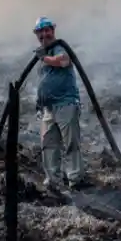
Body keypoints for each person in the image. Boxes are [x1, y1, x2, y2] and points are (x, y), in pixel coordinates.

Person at [33, 16, 84, 190]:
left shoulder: (59, 47)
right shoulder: (44, 54)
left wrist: (45, 58)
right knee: (48, 144)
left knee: (71, 142)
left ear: (53, 31)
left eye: (47, 30)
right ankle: (53, 180)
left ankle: (75, 179)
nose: (44, 34)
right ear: (37, 34)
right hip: (48, 108)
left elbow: (63, 61)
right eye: (41, 31)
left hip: (65, 104)